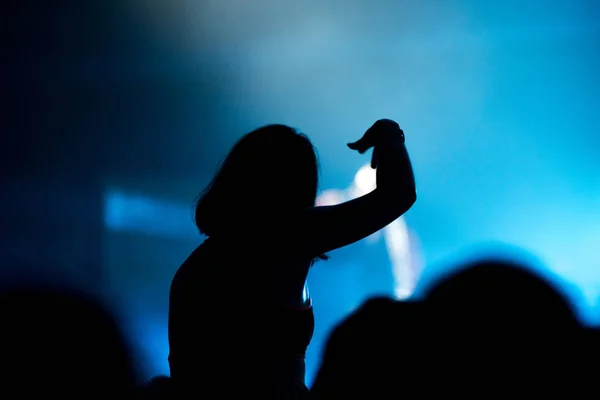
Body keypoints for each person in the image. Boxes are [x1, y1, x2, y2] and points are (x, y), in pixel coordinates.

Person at [167, 119, 416, 398]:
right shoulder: (282, 235)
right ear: (295, 184)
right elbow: (398, 194)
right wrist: (390, 135)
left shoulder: (203, 261)